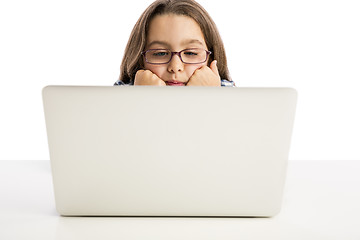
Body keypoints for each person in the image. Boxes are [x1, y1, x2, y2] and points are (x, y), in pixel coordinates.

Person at [114, 0, 235, 87]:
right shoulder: (113, 99)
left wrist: (211, 99)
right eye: (160, 53)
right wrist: (142, 100)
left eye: (191, 53)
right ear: (139, 61)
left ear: (211, 59)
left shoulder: (236, 101)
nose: (175, 67)